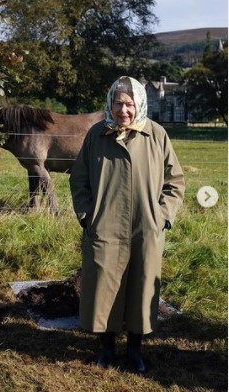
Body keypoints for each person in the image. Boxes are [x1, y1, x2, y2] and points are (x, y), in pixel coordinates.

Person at [69, 76, 185, 375]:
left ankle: (135, 351)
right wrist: (86, 215)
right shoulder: (97, 134)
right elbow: (79, 179)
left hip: (145, 227)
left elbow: (175, 182)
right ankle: (105, 349)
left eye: (130, 104)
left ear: (139, 105)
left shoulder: (156, 135)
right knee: (102, 287)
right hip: (104, 226)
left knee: (142, 286)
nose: (124, 110)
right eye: (118, 103)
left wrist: (162, 216)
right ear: (110, 104)